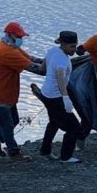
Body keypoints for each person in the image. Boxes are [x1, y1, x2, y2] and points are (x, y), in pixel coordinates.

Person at [0, 21, 39, 162]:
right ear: (11, 35)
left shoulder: (10, 46)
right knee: (7, 125)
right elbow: (35, 68)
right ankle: (14, 153)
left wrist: (51, 60)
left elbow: (31, 59)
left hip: (5, 94)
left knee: (13, 120)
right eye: (19, 36)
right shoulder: (7, 52)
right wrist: (57, 68)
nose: (22, 39)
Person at [38, 30, 83, 164]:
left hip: (45, 93)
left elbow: (42, 67)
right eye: (71, 47)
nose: (74, 50)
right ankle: (66, 157)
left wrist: (43, 70)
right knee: (74, 127)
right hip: (55, 97)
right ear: (63, 44)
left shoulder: (52, 51)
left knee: (54, 121)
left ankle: (45, 150)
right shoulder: (62, 60)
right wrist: (66, 98)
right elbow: (60, 78)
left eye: (75, 46)